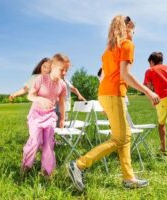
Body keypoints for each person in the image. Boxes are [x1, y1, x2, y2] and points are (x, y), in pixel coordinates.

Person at [67, 15, 160, 190]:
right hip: (114, 94)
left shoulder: (109, 49)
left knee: (124, 136)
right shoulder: (127, 45)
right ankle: (79, 165)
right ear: (126, 28)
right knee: (120, 138)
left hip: (106, 94)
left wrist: (104, 102)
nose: (134, 31)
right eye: (132, 28)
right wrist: (148, 91)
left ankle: (129, 178)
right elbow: (125, 75)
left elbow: (103, 78)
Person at [21, 53, 70, 176]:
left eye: (66, 70)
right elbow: (30, 95)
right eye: (61, 69)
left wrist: (62, 119)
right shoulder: (41, 79)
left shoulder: (62, 85)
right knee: (35, 141)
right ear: (52, 66)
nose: (64, 73)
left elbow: (62, 103)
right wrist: (40, 99)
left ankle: (47, 171)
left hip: (50, 117)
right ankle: (26, 166)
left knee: (49, 144)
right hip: (36, 115)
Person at [144, 52, 167, 154]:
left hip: (163, 98)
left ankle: (163, 149)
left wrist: (152, 101)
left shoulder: (150, 70)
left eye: (150, 63)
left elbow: (148, 88)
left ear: (152, 62)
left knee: (161, 124)